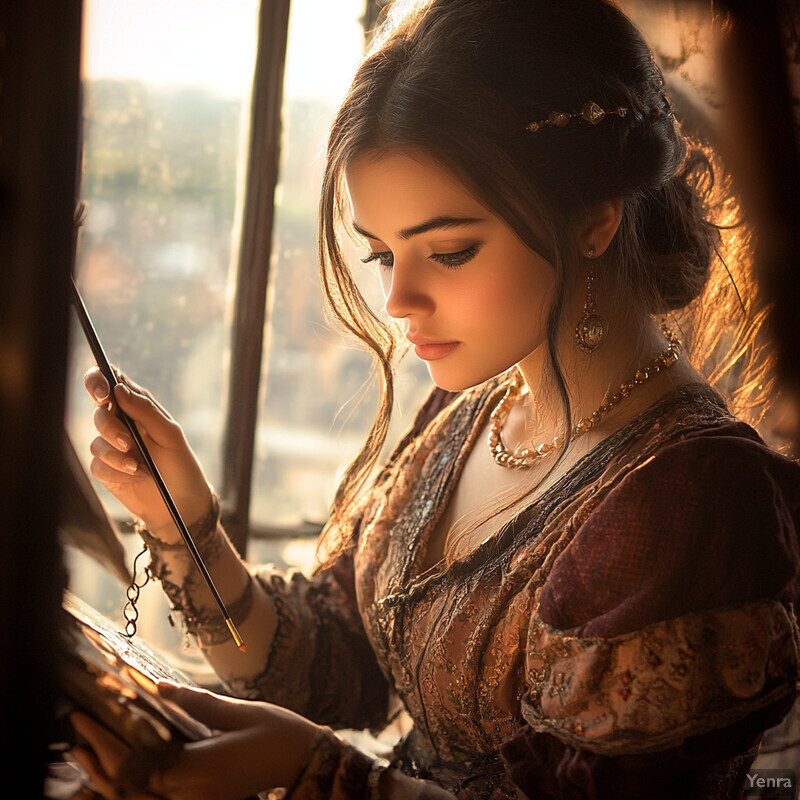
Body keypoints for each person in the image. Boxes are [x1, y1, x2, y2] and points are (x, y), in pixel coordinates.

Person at [69, 0, 800, 798]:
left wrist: (315, 770)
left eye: (450, 251)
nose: (399, 300)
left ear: (595, 218)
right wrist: (185, 519)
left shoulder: (688, 502)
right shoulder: (471, 412)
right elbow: (340, 664)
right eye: (384, 255)